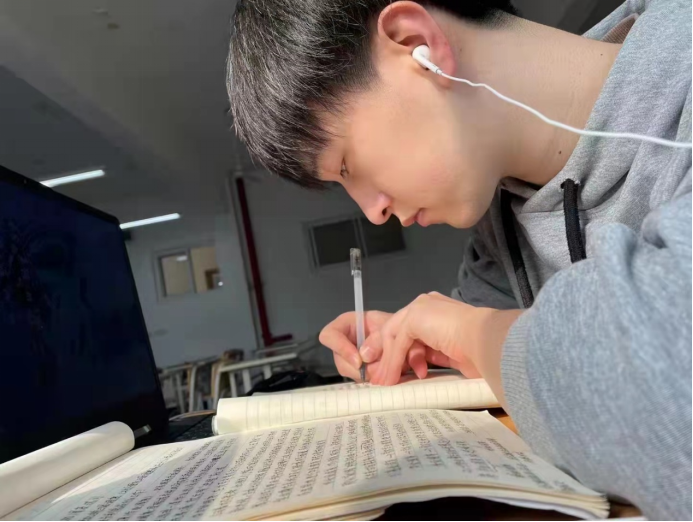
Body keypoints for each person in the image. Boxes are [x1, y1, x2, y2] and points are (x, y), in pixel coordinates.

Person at [227, 0, 692, 518]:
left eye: (346, 166)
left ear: (416, 45)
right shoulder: (500, 231)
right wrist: (421, 349)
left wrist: (474, 334)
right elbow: (493, 351)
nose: (374, 213)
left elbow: (674, 396)